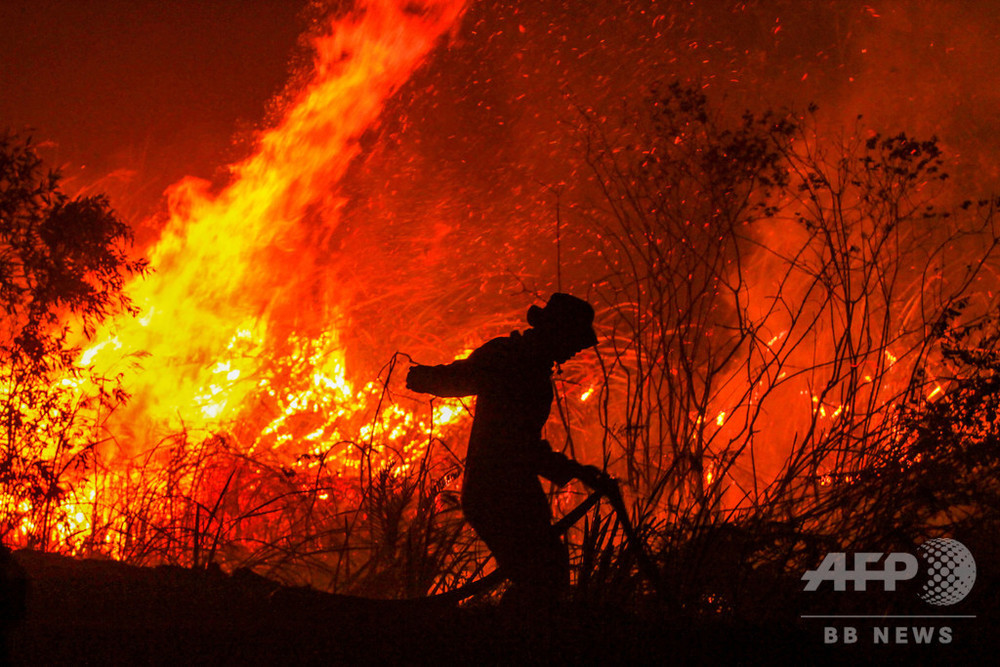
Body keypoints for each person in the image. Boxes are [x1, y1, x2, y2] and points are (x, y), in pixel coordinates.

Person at [406, 293, 606, 609]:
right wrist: (426, 377)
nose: (575, 350)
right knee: (543, 577)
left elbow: (522, 440)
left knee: (545, 576)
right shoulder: (511, 359)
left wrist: (575, 471)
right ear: (556, 332)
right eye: (573, 340)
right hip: (496, 492)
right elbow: (462, 380)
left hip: (512, 489)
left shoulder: (530, 366)